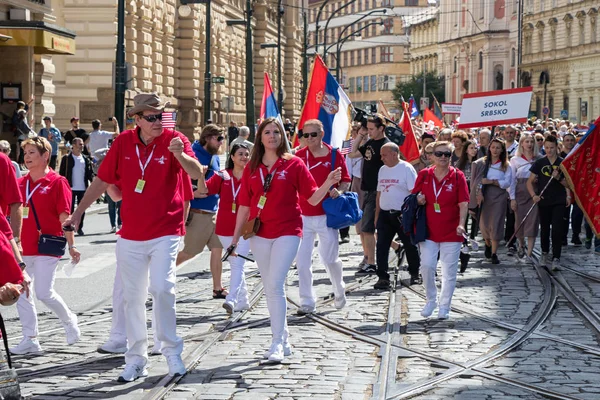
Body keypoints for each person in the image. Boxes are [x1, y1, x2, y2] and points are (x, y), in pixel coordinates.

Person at [63, 93, 204, 382]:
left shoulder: (175, 139)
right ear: (137, 119)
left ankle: (172, 352)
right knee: (132, 298)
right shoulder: (124, 142)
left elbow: (196, 172)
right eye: (151, 117)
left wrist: (181, 154)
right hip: (131, 233)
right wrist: (77, 214)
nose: (158, 122)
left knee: (163, 288)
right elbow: (102, 180)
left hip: (167, 228)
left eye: (162, 115)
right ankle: (136, 358)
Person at [229, 117, 341, 363]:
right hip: (259, 233)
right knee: (270, 286)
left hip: (289, 231)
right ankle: (284, 338)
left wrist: (329, 182)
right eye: (267, 132)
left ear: (282, 137)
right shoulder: (252, 167)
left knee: (275, 284)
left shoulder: (294, 164)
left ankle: (277, 342)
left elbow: (311, 199)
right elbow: (245, 207)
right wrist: (235, 240)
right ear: (260, 137)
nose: (272, 136)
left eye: (276, 132)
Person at [11, 137, 81, 355]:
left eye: (32, 152)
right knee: (22, 292)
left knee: (43, 292)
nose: (27, 157)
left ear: (45, 156)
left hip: (47, 245)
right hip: (22, 248)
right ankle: (30, 339)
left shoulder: (57, 182)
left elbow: (64, 216)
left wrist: (72, 246)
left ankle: (69, 321)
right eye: (26, 153)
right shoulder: (20, 183)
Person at [294, 119, 351, 313]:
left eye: (313, 134)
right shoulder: (299, 156)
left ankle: (339, 289)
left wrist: (340, 192)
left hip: (327, 215)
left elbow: (345, 181)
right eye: (305, 135)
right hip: (302, 215)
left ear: (321, 134)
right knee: (302, 262)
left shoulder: (334, 155)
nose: (309, 139)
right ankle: (307, 301)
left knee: (329, 258)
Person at [412, 141, 469, 319]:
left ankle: (445, 306)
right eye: (439, 154)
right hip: (428, 229)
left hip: (452, 231)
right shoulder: (424, 174)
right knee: (427, 266)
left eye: (447, 154)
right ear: (432, 156)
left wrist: (461, 224)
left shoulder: (458, 176)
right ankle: (431, 299)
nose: (443, 157)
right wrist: (418, 198)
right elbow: (413, 196)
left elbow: (464, 203)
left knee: (448, 271)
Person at [200, 144, 252, 314]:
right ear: (232, 157)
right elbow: (205, 190)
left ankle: (232, 299)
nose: (244, 157)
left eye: (247, 154)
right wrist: (201, 176)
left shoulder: (252, 175)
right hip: (224, 227)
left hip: (245, 228)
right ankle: (243, 301)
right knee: (235, 263)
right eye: (240, 154)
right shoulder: (223, 176)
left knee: (238, 264)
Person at [178, 124, 227, 298]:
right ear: (208, 138)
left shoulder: (214, 156)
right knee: (191, 252)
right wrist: (194, 192)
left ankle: (217, 288)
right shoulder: (195, 154)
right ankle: (160, 274)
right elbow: (181, 181)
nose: (221, 142)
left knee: (217, 248)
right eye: (218, 138)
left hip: (213, 212)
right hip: (198, 212)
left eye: (222, 138)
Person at [347, 115, 390, 275]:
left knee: (367, 228)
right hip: (367, 189)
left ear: (381, 128)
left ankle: (371, 262)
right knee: (367, 228)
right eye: (368, 128)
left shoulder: (386, 146)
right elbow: (352, 154)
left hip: (377, 190)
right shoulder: (371, 142)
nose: (369, 132)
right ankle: (372, 258)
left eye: (372, 129)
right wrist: (361, 135)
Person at [375, 143, 420, 288]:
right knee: (381, 245)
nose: (381, 158)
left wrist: (412, 214)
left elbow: (414, 192)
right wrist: (377, 215)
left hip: (402, 214)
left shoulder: (406, 168)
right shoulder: (382, 170)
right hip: (385, 214)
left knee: (410, 244)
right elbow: (379, 193)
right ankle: (382, 277)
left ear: (394, 154)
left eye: (384, 155)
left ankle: (414, 273)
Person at [527, 135, 571, 270]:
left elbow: (568, 183)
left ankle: (556, 257)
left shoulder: (563, 163)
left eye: (551, 148)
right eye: (546, 148)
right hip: (544, 200)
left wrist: (559, 179)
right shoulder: (540, 163)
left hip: (558, 200)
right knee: (545, 229)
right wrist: (533, 195)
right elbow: (529, 182)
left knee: (557, 229)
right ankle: (544, 252)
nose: (549, 150)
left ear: (556, 147)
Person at [470, 138, 513, 264]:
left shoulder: (506, 165)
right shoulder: (482, 163)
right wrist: (479, 190)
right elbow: (476, 181)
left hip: (499, 196)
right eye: (493, 147)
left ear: (502, 150)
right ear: (489, 148)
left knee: (496, 223)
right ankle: (487, 243)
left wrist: (492, 182)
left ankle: (494, 253)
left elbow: (507, 182)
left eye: (498, 148)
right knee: (484, 224)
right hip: (484, 196)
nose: (495, 150)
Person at [59, 138, 95, 236]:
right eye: (80, 144)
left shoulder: (85, 159)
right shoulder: (66, 158)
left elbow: (90, 173)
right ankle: (68, 227)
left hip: (82, 188)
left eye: (82, 144)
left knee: (81, 209)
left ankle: (79, 227)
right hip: (69, 188)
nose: (82, 146)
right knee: (69, 210)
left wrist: (93, 184)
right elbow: (61, 174)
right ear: (73, 145)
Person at [455, 139, 479, 271]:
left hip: (475, 195)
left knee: (474, 222)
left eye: (476, 148)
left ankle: (470, 242)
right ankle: (464, 249)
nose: (474, 150)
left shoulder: (480, 163)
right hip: (463, 196)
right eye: (471, 148)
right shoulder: (460, 164)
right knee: (461, 223)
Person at [559, 133, 582, 246]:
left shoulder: (578, 155)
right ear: (563, 142)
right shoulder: (559, 156)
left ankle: (575, 235)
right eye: (567, 140)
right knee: (564, 214)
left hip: (577, 188)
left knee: (577, 214)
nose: (569, 142)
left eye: (571, 140)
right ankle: (563, 237)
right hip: (563, 188)